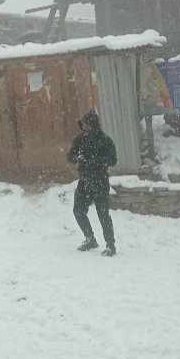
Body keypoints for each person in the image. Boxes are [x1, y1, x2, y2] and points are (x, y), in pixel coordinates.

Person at [68, 110, 118, 257]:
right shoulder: (80, 139)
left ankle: (110, 245)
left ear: (93, 125)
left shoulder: (105, 140)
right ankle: (90, 239)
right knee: (78, 210)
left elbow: (113, 160)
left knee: (103, 214)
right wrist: (77, 157)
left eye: (86, 125)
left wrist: (93, 161)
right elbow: (70, 156)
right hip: (84, 181)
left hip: (100, 181)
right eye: (83, 125)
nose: (84, 127)